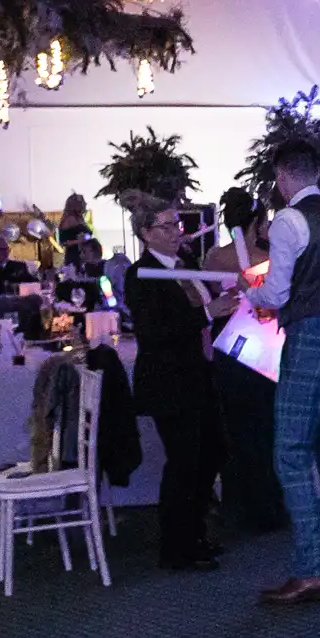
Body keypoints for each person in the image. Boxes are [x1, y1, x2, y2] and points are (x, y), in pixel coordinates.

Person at [249, 141, 320, 606]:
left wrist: (250, 292)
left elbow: (275, 294)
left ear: (281, 175)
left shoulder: (287, 220)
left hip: (310, 340)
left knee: (291, 454)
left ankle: (312, 569)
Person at [123, 195, 237, 572]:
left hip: (200, 374)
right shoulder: (140, 274)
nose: (176, 232)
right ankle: (177, 546)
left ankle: (194, 532)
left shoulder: (185, 265)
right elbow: (155, 332)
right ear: (145, 233)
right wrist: (207, 312)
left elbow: (203, 310)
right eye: (166, 226)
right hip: (169, 381)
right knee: (185, 462)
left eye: (178, 224)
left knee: (213, 453)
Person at [204, 187, 285, 535]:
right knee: (267, 430)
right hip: (264, 346)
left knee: (236, 431)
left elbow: (206, 300)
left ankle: (239, 506)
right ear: (257, 221)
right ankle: (269, 506)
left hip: (228, 347)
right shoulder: (272, 256)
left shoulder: (213, 257)